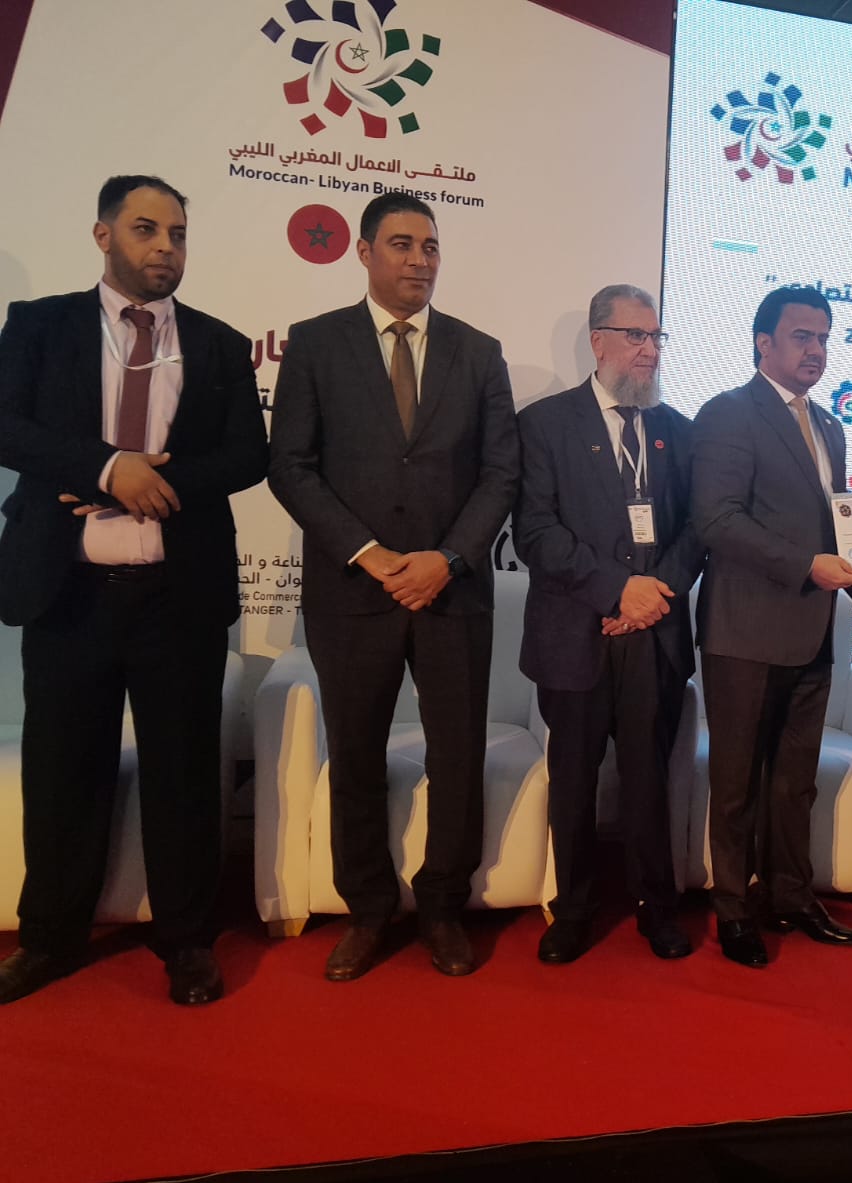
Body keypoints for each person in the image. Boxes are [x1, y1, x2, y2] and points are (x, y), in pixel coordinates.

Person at [0, 175, 267, 1005]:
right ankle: (49, 938)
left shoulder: (220, 343)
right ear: (103, 235)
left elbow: (248, 455)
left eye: (177, 233)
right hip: (68, 592)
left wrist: (156, 484)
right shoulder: (40, 325)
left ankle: (185, 941)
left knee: (184, 775)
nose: (165, 247)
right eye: (146, 229)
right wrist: (105, 467)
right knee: (62, 772)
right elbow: (7, 425)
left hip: (176, 598)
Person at [269, 191, 518, 982]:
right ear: (366, 252)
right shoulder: (316, 343)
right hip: (353, 593)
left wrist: (448, 558)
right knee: (355, 754)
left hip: (452, 591)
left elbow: (501, 472)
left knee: (457, 755)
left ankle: (443, 906)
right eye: (403, 244)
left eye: (431, 246)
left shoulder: (478, 351)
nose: (419, 259)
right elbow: (290, 467)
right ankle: (369, 909)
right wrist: (370, 554)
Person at [513, 285, 703, 964]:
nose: (649, 350)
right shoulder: (545, 424)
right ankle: (573, 910)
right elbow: (535, 532)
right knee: (574, 781)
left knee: (650, 779)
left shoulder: (678, 430)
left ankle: (657, 907)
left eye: (656, 337)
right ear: (599, 341)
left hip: (654, 635)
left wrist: (652, 597)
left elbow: (695, 531)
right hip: (576, 633)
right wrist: (617, 592)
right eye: (635, 336)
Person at [692, 285, 852, 968]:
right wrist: (805, 565)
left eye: (823, 338)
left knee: (795, 781)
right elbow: (717, 519)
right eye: (801, 337)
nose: (816, 350)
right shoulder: (728, 413)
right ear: (764, 343)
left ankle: (791, 895)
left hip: (813, 631)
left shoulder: (830, 426)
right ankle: (734, 909)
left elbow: (834, 523)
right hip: (744, 632)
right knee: (735, 784)